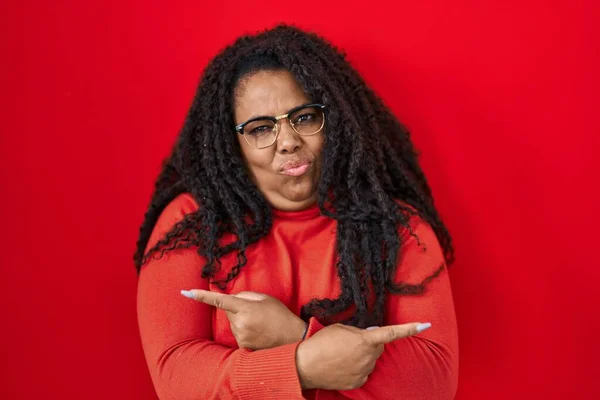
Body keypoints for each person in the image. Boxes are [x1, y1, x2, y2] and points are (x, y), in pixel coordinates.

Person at [135, 24, 458, 400]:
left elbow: (435, 384)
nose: (288, 141)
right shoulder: (192, 223)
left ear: (332, 119)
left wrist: (295, 335)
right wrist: (302, 364)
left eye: (304, 117)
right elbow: (175, 377)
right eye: (260, 128)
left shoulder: (395, 227)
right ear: (231, 141)